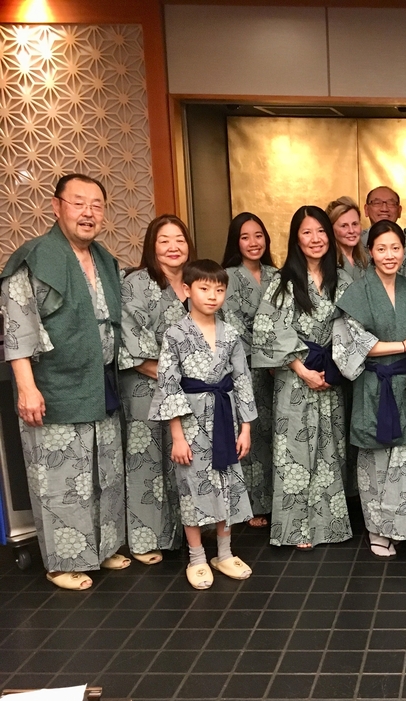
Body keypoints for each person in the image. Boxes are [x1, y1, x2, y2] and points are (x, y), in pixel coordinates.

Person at [0, 173, 128, 590]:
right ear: (56, 207)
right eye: (78, 203)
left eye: (96, 204)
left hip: (100, 382)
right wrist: (26, 386)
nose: (88, 212)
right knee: (60, 478)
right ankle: (61, 562)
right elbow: (18, 325)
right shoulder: (34, 256)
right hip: (53, 386)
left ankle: (102, 548)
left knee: (102, 474)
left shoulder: (106, 259)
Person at [332, 221, 406, 557]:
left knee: (405, 457)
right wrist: (404, 344)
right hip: (374, 384)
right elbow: (350, 343)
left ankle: (405, 528)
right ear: (370, 252)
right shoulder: (357, 292)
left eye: (395, 247)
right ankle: (377, 530)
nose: (389, 255)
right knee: (375, 459)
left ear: (403, 249)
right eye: (381, 248)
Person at [150, 260, 257, 589]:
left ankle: (224, 552)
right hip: (191, 421)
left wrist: (247, 427)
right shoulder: (175, 334)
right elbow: (168, 384)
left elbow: (242, 378)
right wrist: (177, 437)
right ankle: (197, 557)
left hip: (225, 415)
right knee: (192, 486)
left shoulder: (231, 333)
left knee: (226, 483)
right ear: (186, 290)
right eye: (204, 288)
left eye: (219, 290)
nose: (212, 296)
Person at [252, 206, 352, 550]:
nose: (315, 239)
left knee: (330, 451)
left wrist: (336, 367)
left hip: (331, 375)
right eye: (307, 232)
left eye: (321, 231)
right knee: (295, 452)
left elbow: (357, 328)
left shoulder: (345, 279)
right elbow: (267, 330)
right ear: (296, 237)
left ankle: (330, 526)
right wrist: (301, 368)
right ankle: (296, 529)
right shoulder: (283, 282)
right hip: (295, 377)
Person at [119, 214, 195, 566]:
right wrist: (176, 377)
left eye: (179, 239)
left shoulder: (197, 283)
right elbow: (133, 348)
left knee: (183, 459)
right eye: (164, 240)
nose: (173, 246)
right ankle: (146, 538)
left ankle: (181, 531)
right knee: (146, 461)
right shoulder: (137, 283)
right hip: (146, 387)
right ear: (152, 246)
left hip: (189, 390)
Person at [221, 212, 278, 529]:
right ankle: (254, 503)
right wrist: (264, 358)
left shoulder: (278, 274)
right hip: (245, 366)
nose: (253, 242)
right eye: (245, 237)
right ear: (235, 242)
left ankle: (277, 499)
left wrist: (278, 358)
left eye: (259, 235)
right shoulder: (228, 276)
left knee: (276, 434)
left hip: (280, 368)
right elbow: (234, 328)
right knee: (251, 433)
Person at [327, 196, 370, 282]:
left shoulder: (367, 259)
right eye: (344, 226)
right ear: (331, 229)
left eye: (355, 224)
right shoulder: (326, 262)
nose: (351, 230)